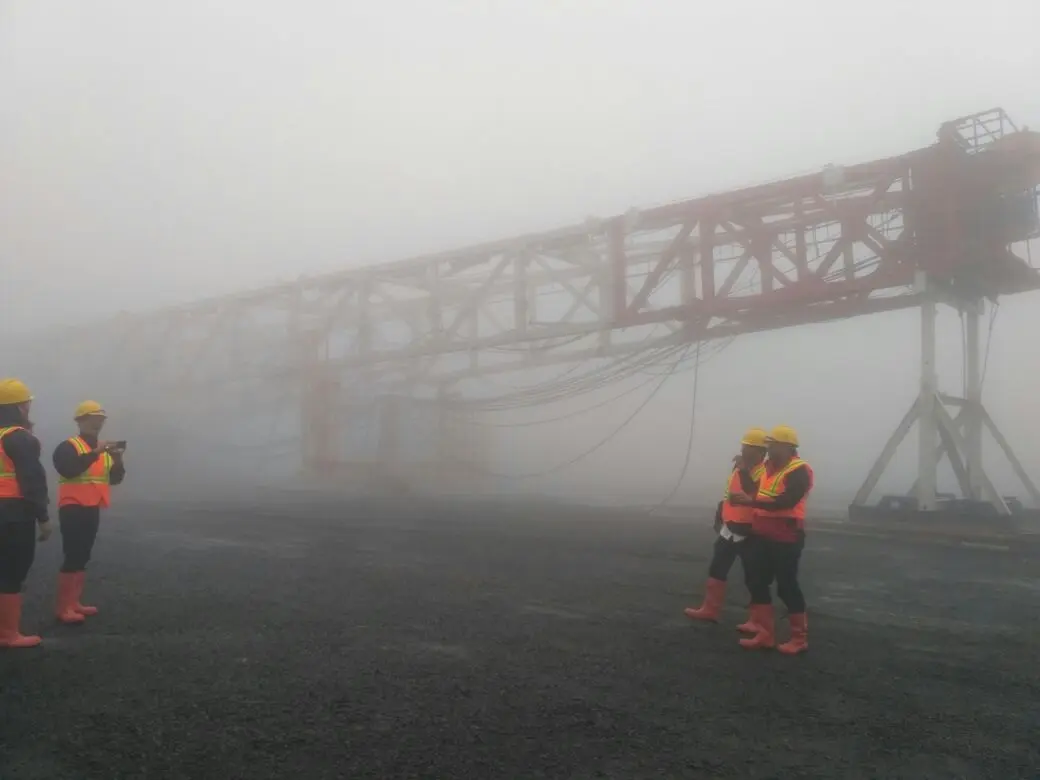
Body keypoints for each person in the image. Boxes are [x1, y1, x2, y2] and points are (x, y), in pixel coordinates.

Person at [730, 425, 813, 654]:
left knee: (787, 586)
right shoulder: (768, 467)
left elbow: (786, 501)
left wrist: (750, 502)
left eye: (773, 444)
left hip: (786, 535)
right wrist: (745, 470)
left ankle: (799, 638)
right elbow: (754, 491)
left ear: (788, 447)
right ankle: (765, 634)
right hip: (762, 533)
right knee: (757, 581)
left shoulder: (800, 470)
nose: (769, 448)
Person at [684, 428, 767, 626]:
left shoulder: (764, 472)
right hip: (729, 529)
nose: (744, 451)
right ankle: (710, 609)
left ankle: (758, 621)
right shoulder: (739, 469)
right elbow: (728, 494)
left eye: (749, 448)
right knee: (717, 568)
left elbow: (752, 493)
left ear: (761, 452)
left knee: (754, 577)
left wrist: (744, 470)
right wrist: (719, 515)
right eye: (744, 447)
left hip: (751, 532)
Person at [52, 401, 125, 624]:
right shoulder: (68, 446)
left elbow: (115, 479)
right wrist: (96, 452)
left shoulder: (103, 451)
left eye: (100, 420)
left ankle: (75, 603)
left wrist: (118, 457)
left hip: (92, 506)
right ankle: (64, 608)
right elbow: (69, 469)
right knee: (73, 555)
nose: (97, 423)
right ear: (79, 421)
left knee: (83, 555)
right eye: (92, 419)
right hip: (72, 507)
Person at [0, 378, 53, 648]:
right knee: (13, 570)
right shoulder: (20, 439)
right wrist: (43, 518)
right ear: (21, 407)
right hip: (13, 513)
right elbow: (32, 480)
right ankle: (8, 635)